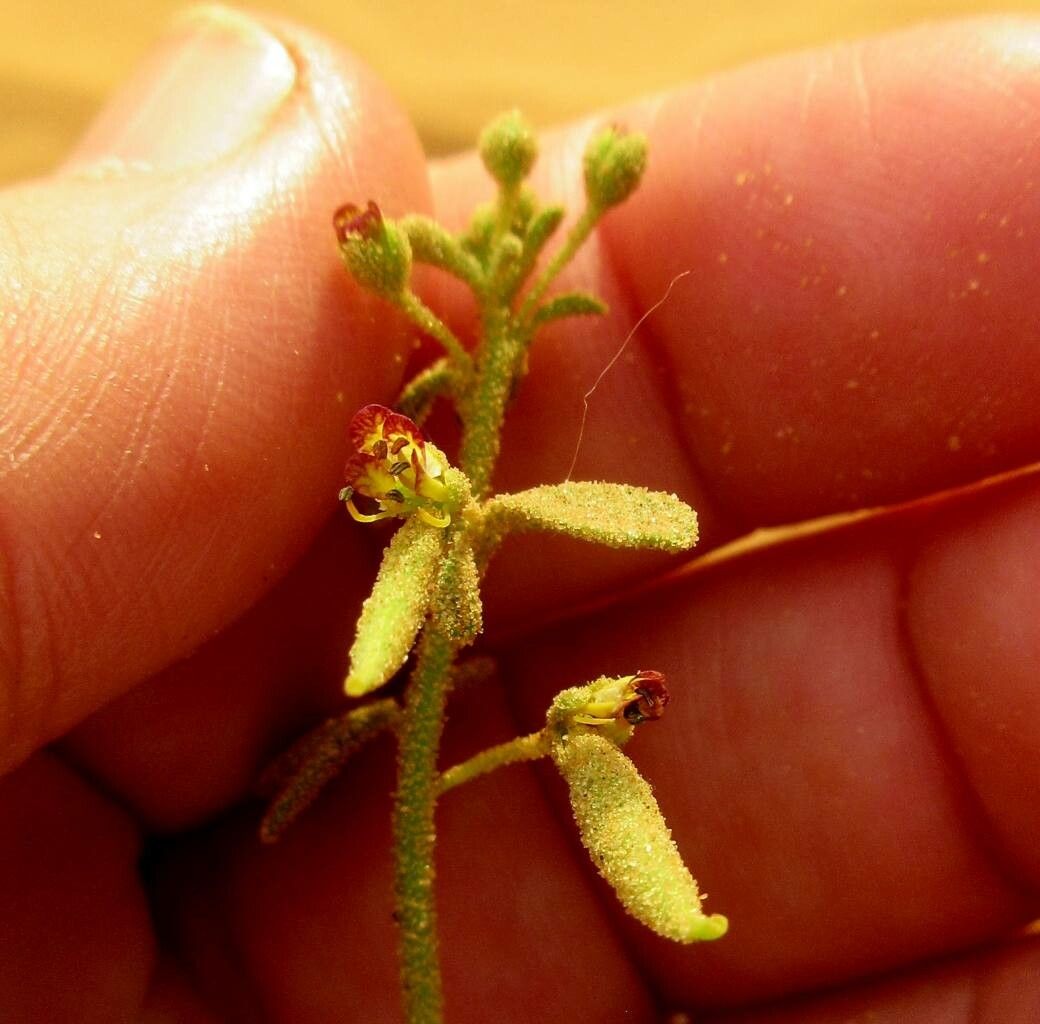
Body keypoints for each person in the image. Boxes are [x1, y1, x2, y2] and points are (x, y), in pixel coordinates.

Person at [1, 8, 1038, 1022]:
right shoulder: (425, 533)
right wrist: (415, 582)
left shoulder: (514, 556)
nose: (414, 480)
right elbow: (386, 640)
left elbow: (644, 530)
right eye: (404, 475)